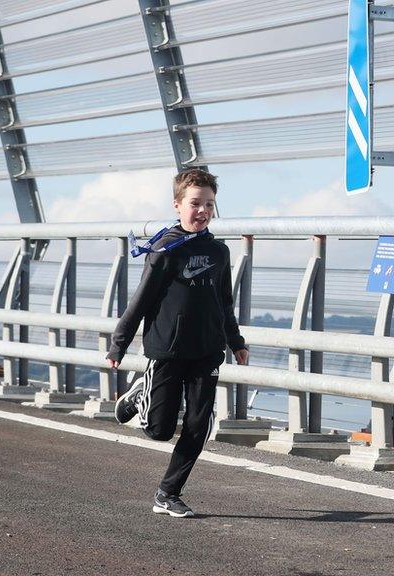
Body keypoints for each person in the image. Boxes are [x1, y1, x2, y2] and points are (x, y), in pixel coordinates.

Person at [106, 168, 249, 518]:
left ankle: (168, 492)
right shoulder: (164, 249)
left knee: (200, 426)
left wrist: (235, 341)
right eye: (195, 203)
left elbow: (224, 301)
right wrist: (119, 344)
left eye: (209, 205)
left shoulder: (219, 252)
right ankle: (141, 393)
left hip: (206, 350)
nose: (202, 211)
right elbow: (140, 301)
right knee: (159, 430)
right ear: (178, 205)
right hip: (166, 349)